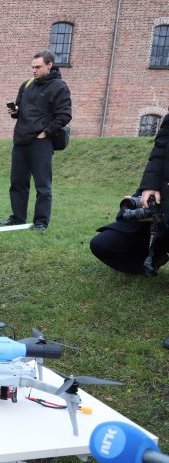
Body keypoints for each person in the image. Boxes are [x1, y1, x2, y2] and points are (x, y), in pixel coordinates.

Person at [90, 113, 169, 349]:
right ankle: (153, 259)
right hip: (163, 196)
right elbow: (161, 146)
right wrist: (150, 186)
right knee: (103, 244)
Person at [0, 50, 72, 231]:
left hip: (41, 143)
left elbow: (64, 115)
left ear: (50, 64)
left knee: (43, 185)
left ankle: (40, 222)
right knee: (17, 183)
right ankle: (17, 219)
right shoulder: (27, 85)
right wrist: (14, 112)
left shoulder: (59, 87)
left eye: (38, 67)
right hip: (21, 141)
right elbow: (19, 110)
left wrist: (46, 132)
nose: (34, 70)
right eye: (32, 67)